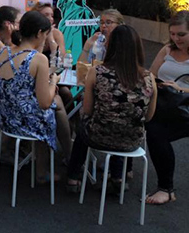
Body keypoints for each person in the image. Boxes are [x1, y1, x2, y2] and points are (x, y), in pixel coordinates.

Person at [66, 25, 157, 194]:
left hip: (98, 137)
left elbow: (87, 110)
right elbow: (149, 116)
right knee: (123, 124)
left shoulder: (97, 72)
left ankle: (73, 176)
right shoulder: (149, 78)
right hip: (132, 142)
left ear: (110, 45)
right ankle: (117, 177)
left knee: (85, 125)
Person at [0, 11, 72, 178]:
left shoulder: (3, 52)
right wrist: (53, 81)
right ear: (40, 33)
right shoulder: (39, 59)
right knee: (51, 109)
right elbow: (44, 103)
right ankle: (43, 171)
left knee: (51, 106)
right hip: (24, 123)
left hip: (5, 119)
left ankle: (35, 160)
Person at [146, 10, 189, 205]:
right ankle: (121, 170)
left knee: (156, 132)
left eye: (181, 34)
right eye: (172, 34)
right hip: (164, 102)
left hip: (185, 107)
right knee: (149, 126)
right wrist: (156, 83)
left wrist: (180, 88)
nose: (176, 38)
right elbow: (151, 74)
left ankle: (166, 188)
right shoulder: (167, 50)